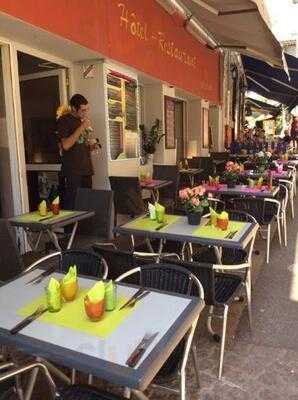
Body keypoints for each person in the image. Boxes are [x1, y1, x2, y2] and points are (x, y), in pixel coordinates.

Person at [56, 94, 94, 209]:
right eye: (83, 110)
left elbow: (81, 144)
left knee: (86, 207)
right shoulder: (64, 121)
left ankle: (85, 228)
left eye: (87, 109)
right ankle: (71, 228)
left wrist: (91, 145)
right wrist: (82, 127)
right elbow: (66, 145)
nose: (85, 112)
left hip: (86, 170)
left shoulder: (81, 121)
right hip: (73, 172)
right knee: (73, 207)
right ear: (73, 108)